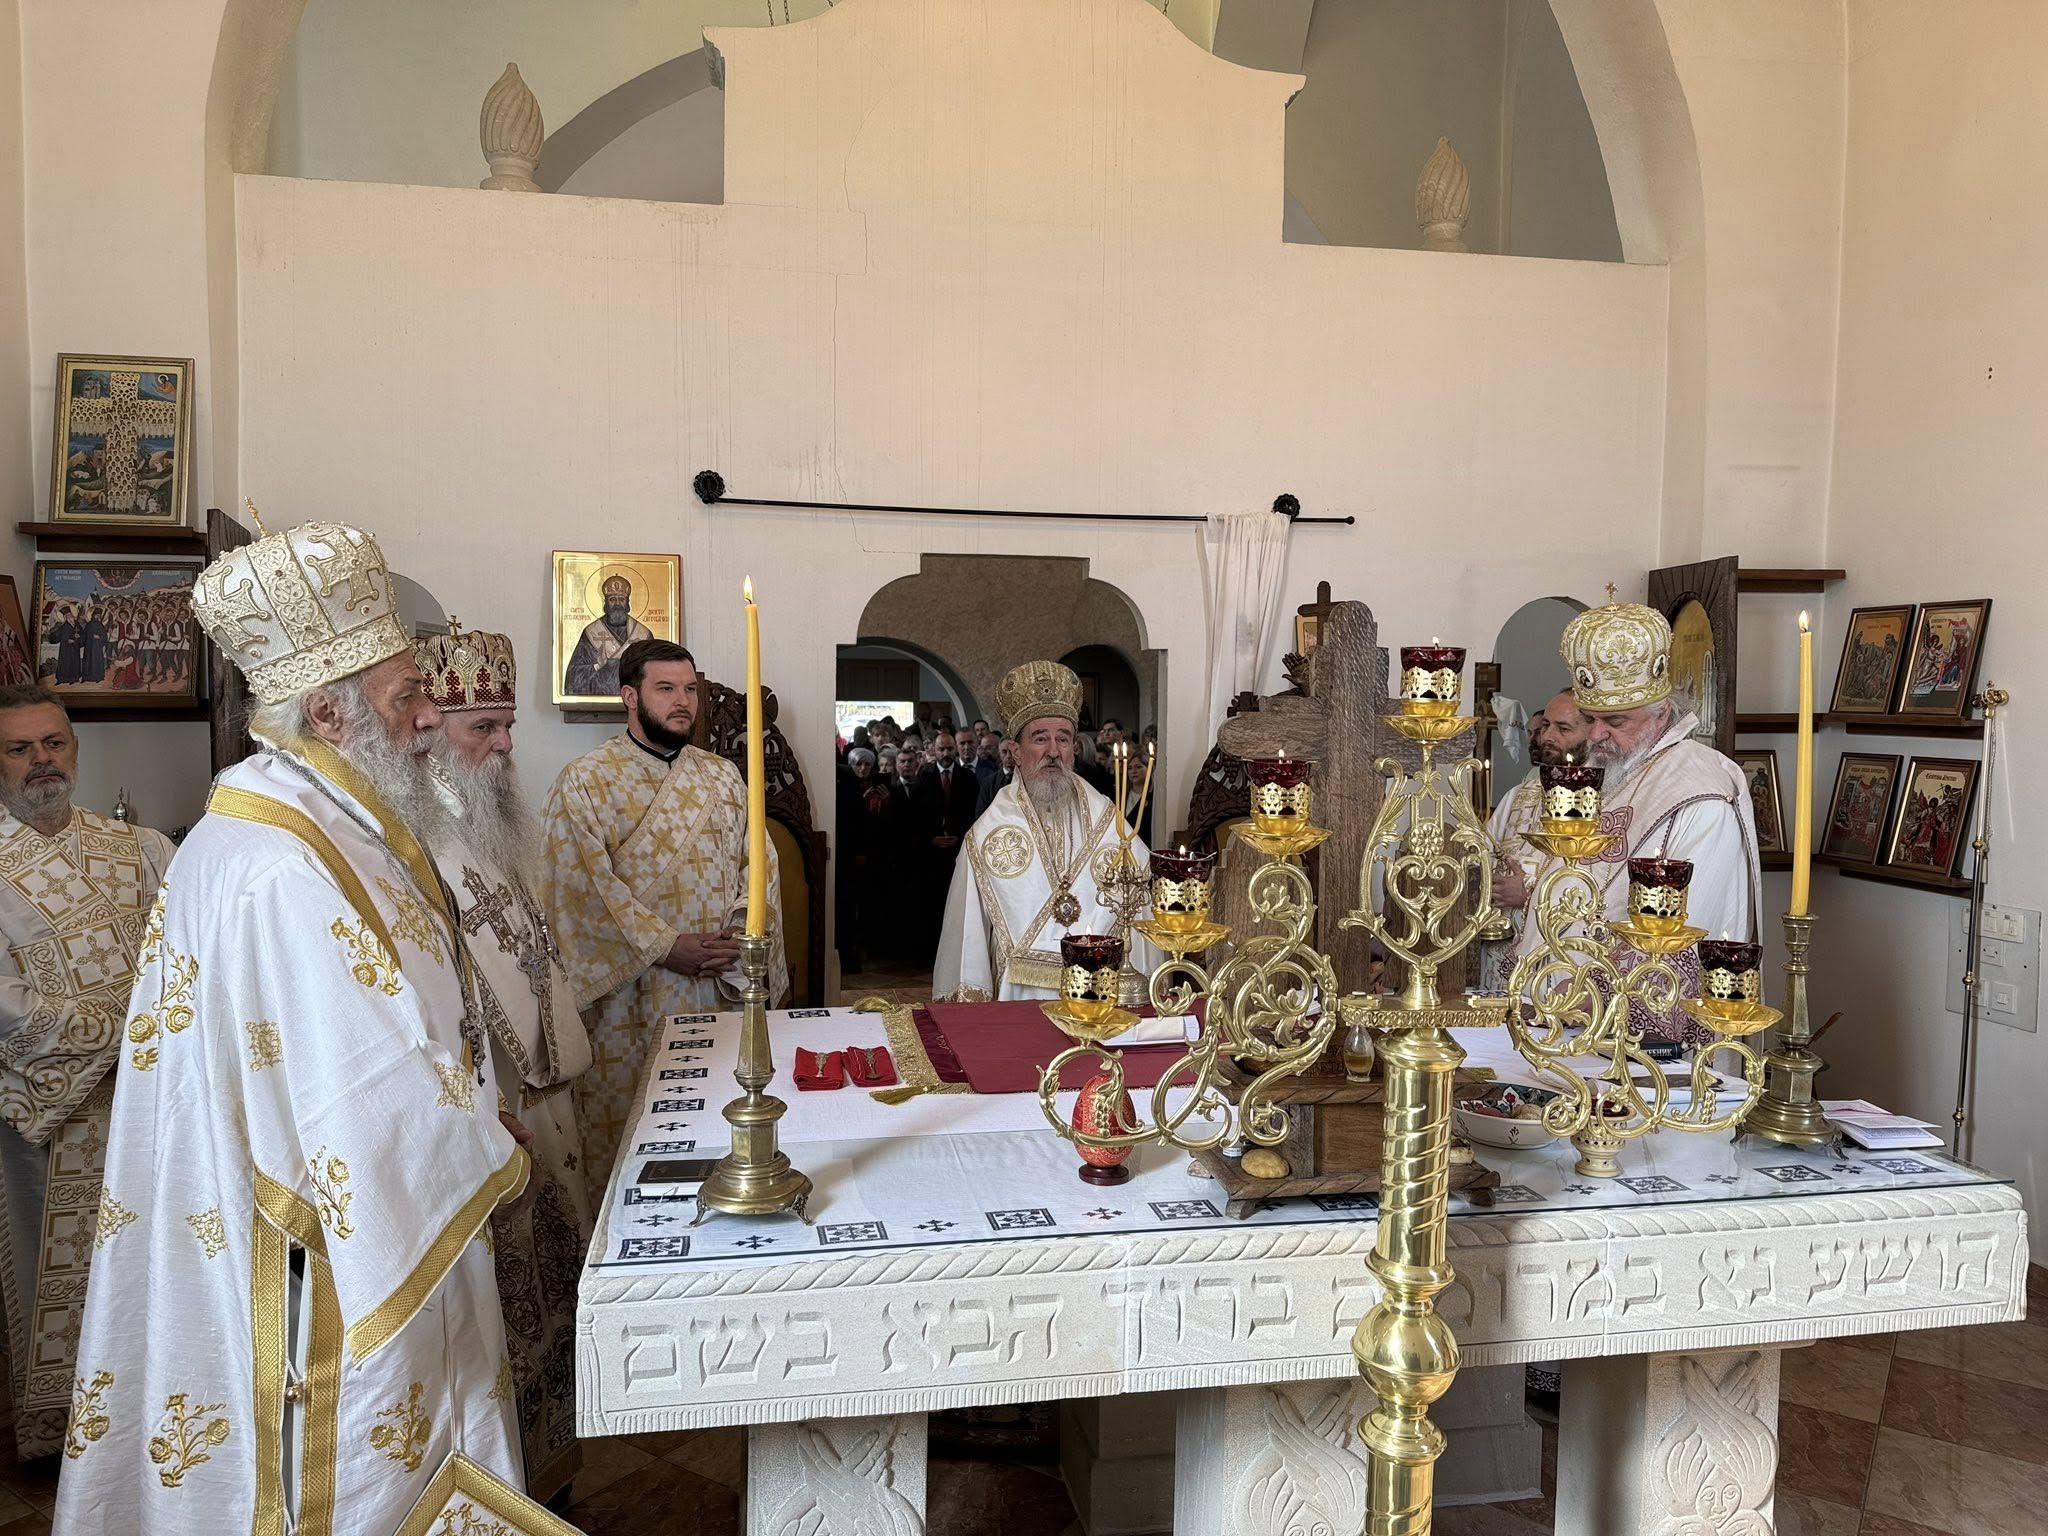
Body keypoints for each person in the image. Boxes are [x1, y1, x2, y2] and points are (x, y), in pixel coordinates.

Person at [57, 521, 530, 1534]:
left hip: (379, 1194)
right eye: (406, 697)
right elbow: (353, 1077)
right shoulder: (277, 859)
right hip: (322, 1245)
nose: (427, 716)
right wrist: (475, 1140)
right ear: (327, 712)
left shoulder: (328, 817)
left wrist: (471, 1114)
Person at [415, 622, 593, 1504]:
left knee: (556, 1295)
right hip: (488, 1113)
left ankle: (551, 1481)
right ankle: (502, 1490)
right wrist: (479, 1101)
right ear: (428, 730)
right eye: (482, 727)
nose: (505, 744)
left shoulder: (492, 825)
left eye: (507, 724)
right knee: (505, 1313)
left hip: (540, 1096)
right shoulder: (406, 843)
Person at [541, 638, 783, 1191]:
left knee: (719, 1130)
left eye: (690, 690)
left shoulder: (723, 776)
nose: (683, 702)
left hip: (719, 987)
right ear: (630, 697)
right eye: (666, 689)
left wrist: (741, 931)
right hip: (633, 998)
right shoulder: (585, 780)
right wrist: (667, 946)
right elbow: (579, 888)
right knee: (638, 1147)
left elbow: (759, 864)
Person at [0, 687, 172, 1460]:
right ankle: (66, 1434)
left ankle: (156, 1411)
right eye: (19, 748)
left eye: (53, 743)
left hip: (153, 1106)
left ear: (75, 749)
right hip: (51, 1113)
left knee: (156, 1259)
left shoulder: (142, 849)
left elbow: (186, 956)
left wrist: (161, 1033)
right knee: (57, 1267)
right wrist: (121, 1031)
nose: (41, 761)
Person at [1498, 604, 1761, 1041]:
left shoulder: (1701, 792)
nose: (1596, 735)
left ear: (1661, 712)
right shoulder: (1617, 771)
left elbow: (1689, 924)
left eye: (1615, 721)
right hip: (1557, 1018)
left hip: (1633, 1037)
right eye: (1591, 719)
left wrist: (1593, 994)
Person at [934, 661, 1159, 1001]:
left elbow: (1139, 904)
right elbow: (969, 940)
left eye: (1063, 739)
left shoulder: (1107, 819)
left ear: (1073, 748)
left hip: (1101, 996)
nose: (1053, 751)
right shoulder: (987, 835)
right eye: (1040, 738)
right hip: (1018, 1002)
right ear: (1015, 751)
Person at [1481, 691, 1589, 991]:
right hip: (1499, 957)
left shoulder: (1608, 803)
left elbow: (1604, 885)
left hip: (1562, 966)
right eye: (1545, 726)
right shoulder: (1519, 795)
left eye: (1563, 729)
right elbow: (1483, 854)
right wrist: (1487, 881)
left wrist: (1530, 892)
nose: (1547, 737)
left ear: (1593, 733)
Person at [912, 730, 981, 956]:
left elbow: (974, 814)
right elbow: (915, 816)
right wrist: (930, 838)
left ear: (956, 749)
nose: (946, 753)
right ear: (934, 750)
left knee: (957, 902)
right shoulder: (924, 777)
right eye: (941, 749)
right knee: (931, 903)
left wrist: (959, 836)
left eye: (950, 748)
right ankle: (930, 950)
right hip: (930, 852)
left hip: (958, 851)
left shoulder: (968, 778)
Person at [563, 571, 654, 697]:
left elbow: (654, 672)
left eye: (621, 599)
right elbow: (573, 677)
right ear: (605, 602)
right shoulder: (591, 633)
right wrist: (597, 665)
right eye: (612, 599)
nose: (617, 604)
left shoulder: (643, 634)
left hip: (634, 701)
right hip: (597, 702)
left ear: (628, 603)